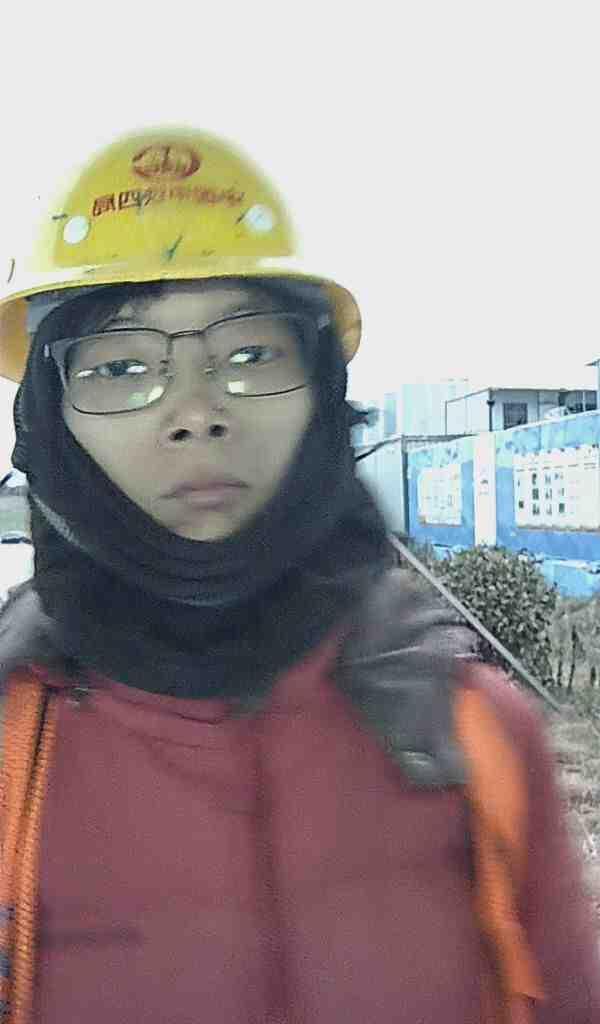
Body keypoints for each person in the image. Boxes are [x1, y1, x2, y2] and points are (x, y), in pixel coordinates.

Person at [0, 128, 598, 1024]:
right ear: (49, 420)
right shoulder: (11, 751)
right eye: (121, 367)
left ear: (323, 392)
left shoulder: (475, 738)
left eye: (250, 355)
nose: (195, 413)